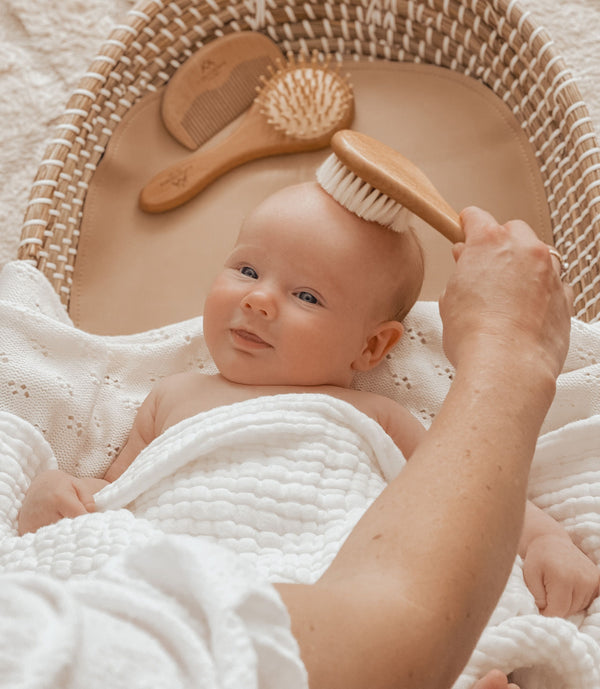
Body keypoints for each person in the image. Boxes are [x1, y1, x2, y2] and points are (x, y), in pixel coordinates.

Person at [17, 184, 590, 688]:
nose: (257, 298)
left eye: (307, 296)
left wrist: (544, 542)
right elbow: (117, 492)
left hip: (340, 574)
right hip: (201, 575)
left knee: (452, 630)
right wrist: (58, 492)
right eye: (247, 270)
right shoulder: (173, 394)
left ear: (371, 348)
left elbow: (469, 490)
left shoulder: (373, 412)